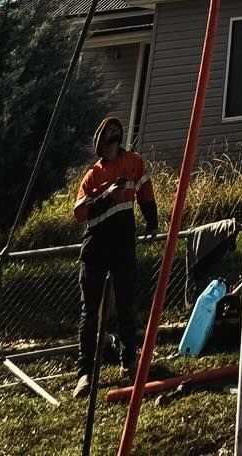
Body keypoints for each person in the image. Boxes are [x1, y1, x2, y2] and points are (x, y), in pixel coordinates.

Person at [73, 116, 157, 395]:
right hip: (96, 245)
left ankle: (129, 361)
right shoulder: (92, 176)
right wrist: (107, 196)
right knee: (91, 311)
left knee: (125, 305)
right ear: (100, 141)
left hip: (123, 242)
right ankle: (85, 372)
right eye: (109, 133)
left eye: (117, 132)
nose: (114, 137)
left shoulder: (132, 162)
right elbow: (80, 213)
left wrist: (152, 220)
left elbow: (145, 190)